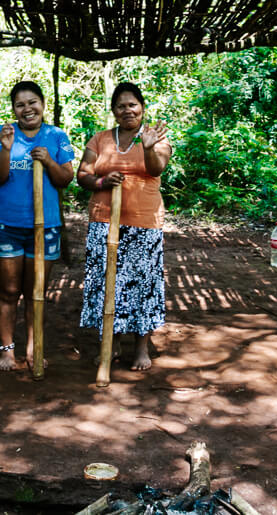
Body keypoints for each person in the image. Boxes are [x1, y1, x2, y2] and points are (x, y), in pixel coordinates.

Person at [77, 82, 172, 371]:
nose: (127, 110)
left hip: (144, 222)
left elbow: (156, 168)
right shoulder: (100, 140)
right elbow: (83, 174)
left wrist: (148, 148)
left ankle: (141, 347)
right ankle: (113, 341)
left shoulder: (155, 137)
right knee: (108, 282)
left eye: (132, 104)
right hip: (104, 221)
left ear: (141, 107)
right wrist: (101, 182)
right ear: (114, 112)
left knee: (143, 283)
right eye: (121, 106)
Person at [0, 81, 74, 370]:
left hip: (44, 227)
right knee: (8, 291)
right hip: (5, 225)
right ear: (13, 109)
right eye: (20, 104)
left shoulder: (57, 136)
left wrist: (48, 161)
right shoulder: (2, 133)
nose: (27, 109)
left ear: (43, 104)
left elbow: (65, 179)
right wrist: (7, 150)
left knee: (36, 292)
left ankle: (35, 348)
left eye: (32, 102)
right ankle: (7, 349)